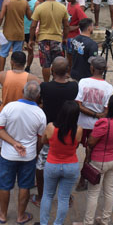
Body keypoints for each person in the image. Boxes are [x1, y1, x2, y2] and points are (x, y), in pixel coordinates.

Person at [72, 95, 113, 225]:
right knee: (109, 190)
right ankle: (105, 221)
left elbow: (91, 142)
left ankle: (87, 224)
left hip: (100, 160)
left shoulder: (104, 123)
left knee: (93, 193)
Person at [0, 81, 46, 225]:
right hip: (28, 156)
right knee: (25, 186)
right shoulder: (40, 114)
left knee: (5, 185)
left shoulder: (10, 107)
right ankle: (20, 216)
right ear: (37, 96)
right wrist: (34, 153)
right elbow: (41, 138)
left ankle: (3, 214)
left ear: (23, 92)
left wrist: (13, 143)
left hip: (8, 154)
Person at [0, 51, 40, 185]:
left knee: (0, 147)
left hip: (6, 116)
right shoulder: (31, 78)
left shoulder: (3, 75)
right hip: (25, 116)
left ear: (11, 62)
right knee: (28, 144)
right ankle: (29, 175)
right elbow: (42, 89)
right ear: (25, 63)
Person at [33, 58, 78, 206]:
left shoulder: (45, 86)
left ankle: (41, 196)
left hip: (50, 130)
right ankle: (66, 195)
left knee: (41, 163)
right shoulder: (73, 87)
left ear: (52, 70)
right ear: (67, 72)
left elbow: (38, 101)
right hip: (69, 131)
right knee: (68, 160)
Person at [34, 100, 81, 225]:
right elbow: (76, 145)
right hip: (71, 165)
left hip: (53, 164)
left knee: (47, 195)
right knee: (63, 197)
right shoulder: (78, 129)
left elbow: (43, 141)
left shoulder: (51, 127)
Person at [75, 56, 113, 191]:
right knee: (90, 152)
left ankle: (73, 175)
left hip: (81, 123)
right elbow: (106, 111)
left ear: (92, 68)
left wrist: (92, 113)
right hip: (96, 125)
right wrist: (97, 115)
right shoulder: (108, 87)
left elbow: (78, 104)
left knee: (72, 147)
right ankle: (83, 179)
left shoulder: (83, 82)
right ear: (105, 70)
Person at [29, 0, 69, 82]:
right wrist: (65, 38)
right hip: (57, 38)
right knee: (58, 63)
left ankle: (46, 83)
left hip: (43, 39)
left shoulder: (40, 7)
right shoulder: (63, 7)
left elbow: (33, 25)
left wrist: (31, 39)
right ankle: (57, 81)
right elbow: (66, 25)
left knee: (45, 64)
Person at [0, 0, 32, 71]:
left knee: (3, 53)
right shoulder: (25, 3)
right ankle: (14, 72)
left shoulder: (7, 1)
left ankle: (1, 72)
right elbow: (30, 17)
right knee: (17, 55)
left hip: (8, 33)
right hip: (19, 33)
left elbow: (1, 17)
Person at [64, 0, 87, 68]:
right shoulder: (69, 5)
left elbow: (85, 20)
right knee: (67, 54)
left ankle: (71, 70)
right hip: (67, 34)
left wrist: (75, 27)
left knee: (71, 55)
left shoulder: (77, 8)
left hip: (73, 36)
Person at [21, 0, 38, 72]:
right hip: (20, 29)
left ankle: (28, 66)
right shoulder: (21, 1)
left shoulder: (35, 3)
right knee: (19, 49)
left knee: (30, 49)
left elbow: (34, 17)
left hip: (29, 30)